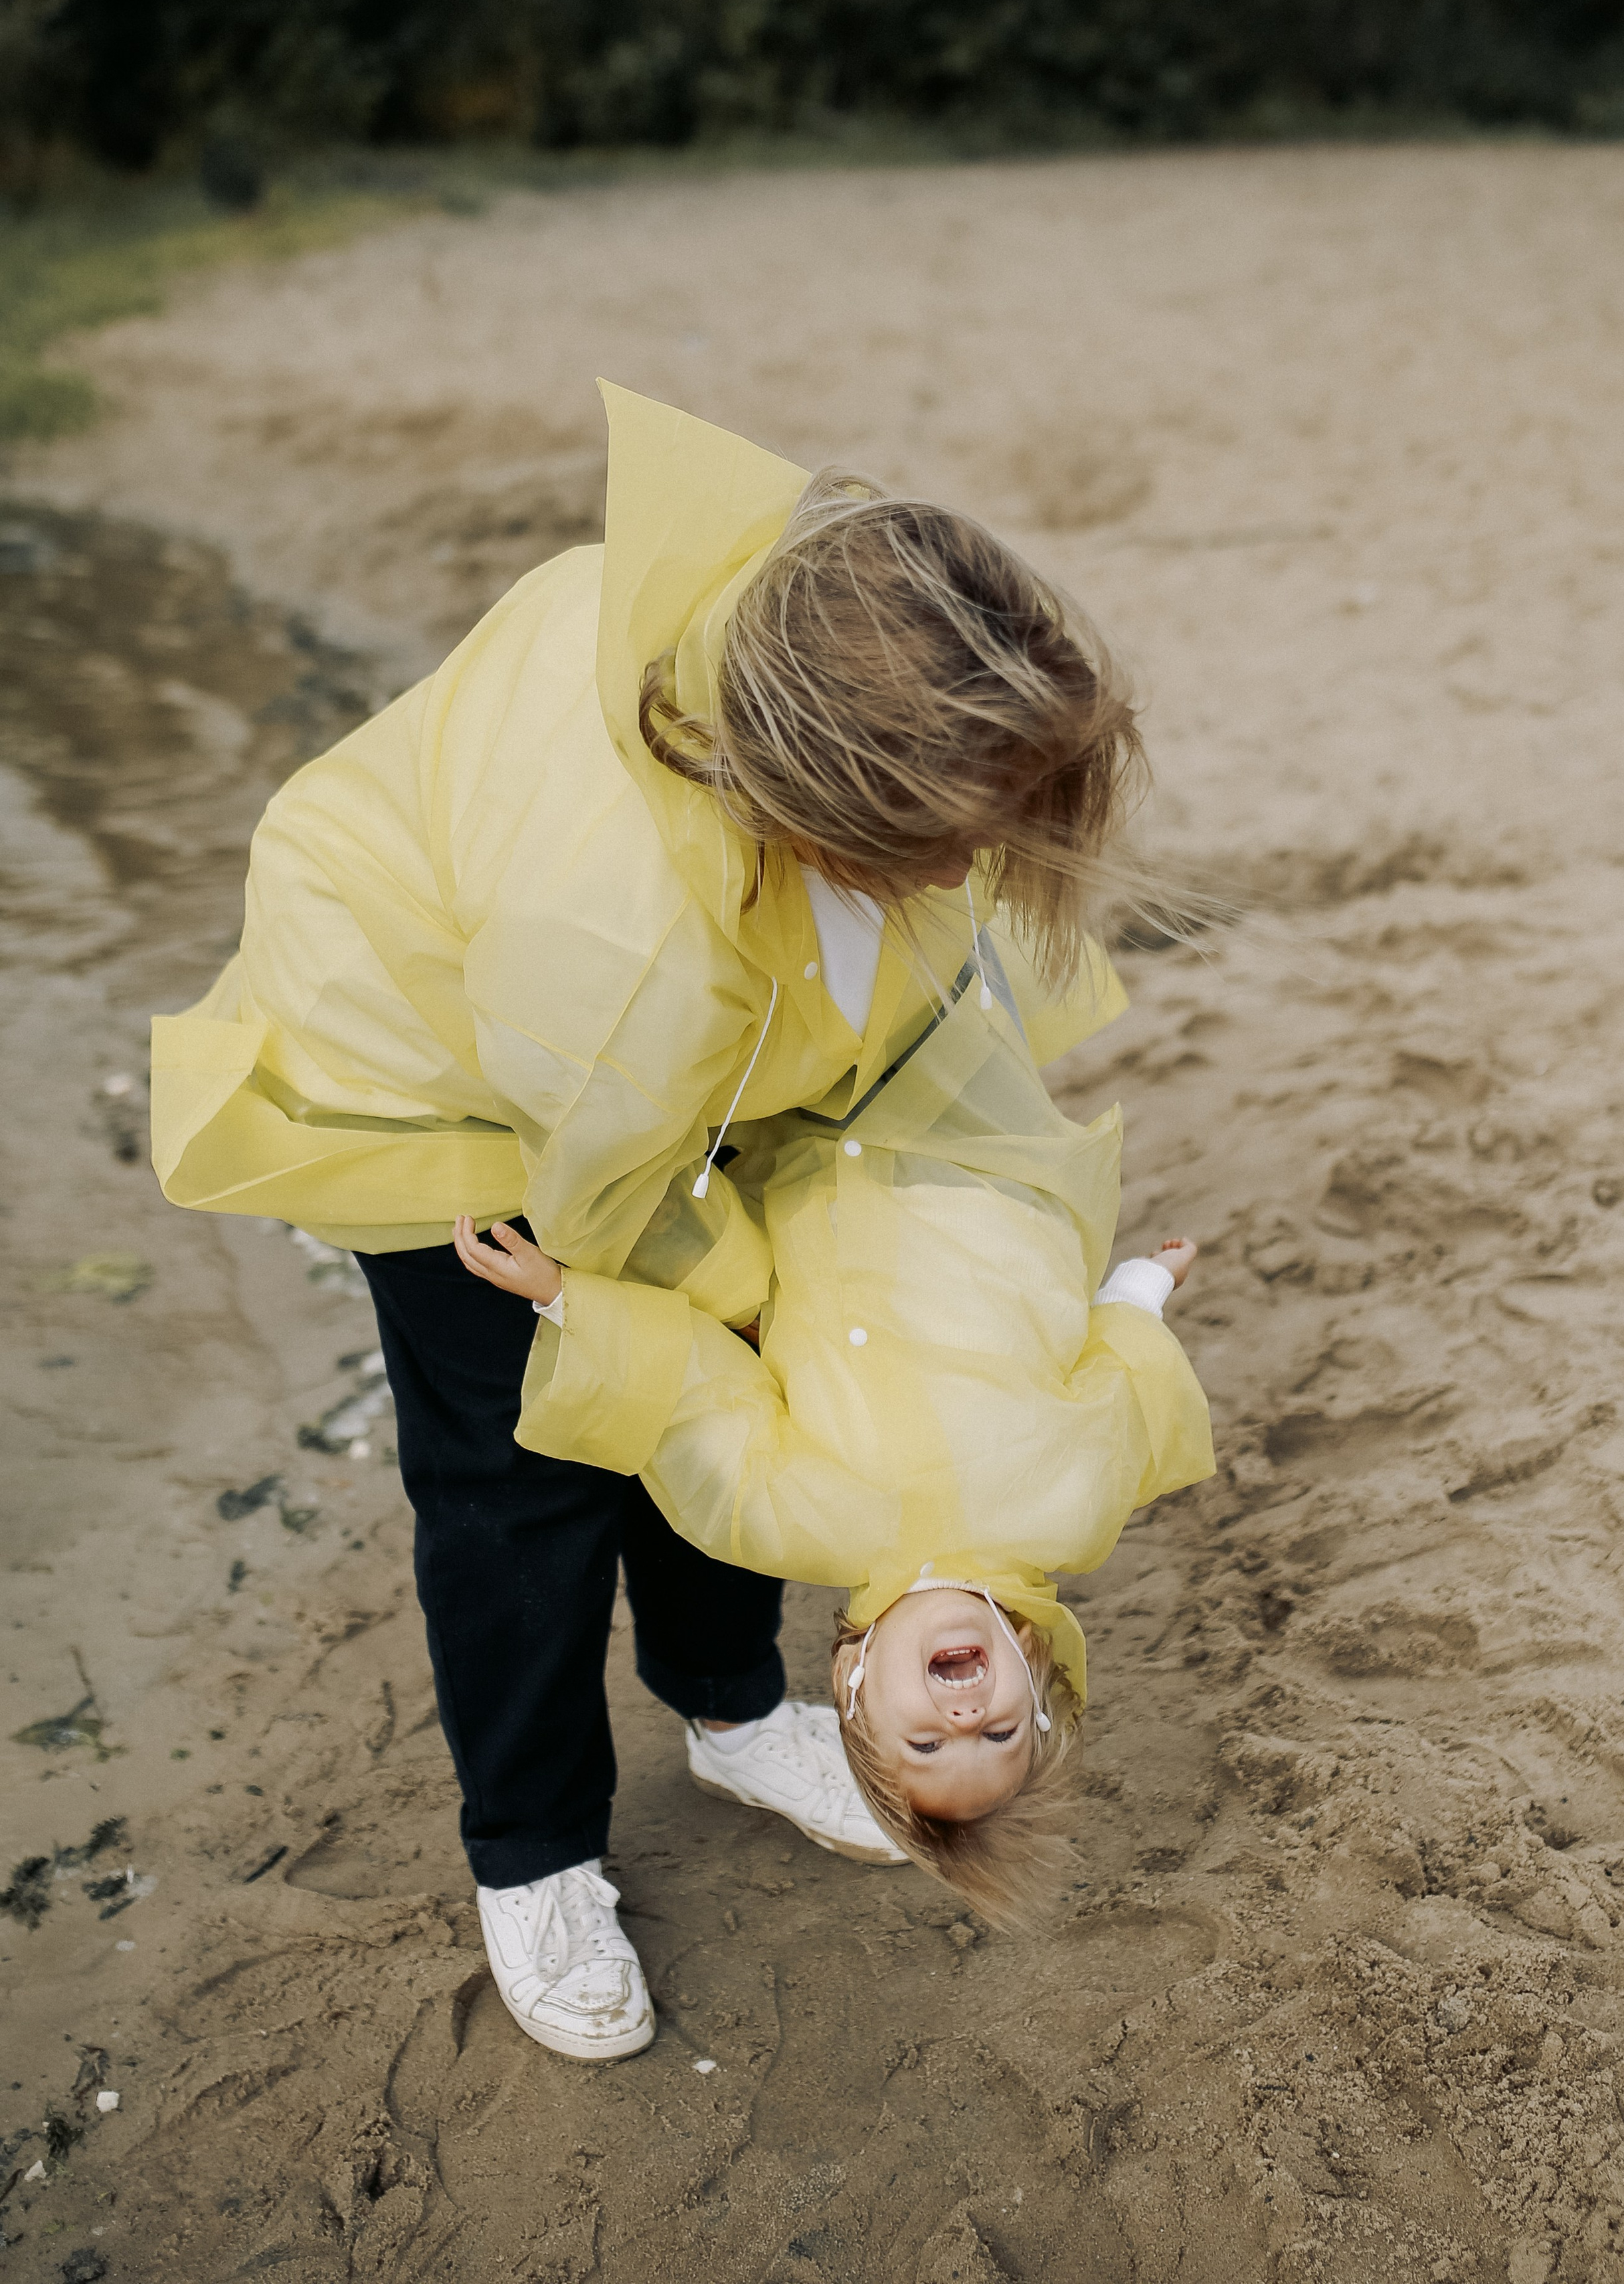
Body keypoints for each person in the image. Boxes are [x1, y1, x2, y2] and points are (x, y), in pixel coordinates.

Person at [150, 383, 1154, 2059]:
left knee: (743, 1405)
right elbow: (617, 1222)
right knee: (519, 1468)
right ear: (829, 807)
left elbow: (773, 1268)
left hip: (636, 1041)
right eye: (954, 838)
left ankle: (727, 1700)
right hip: (448, 1075)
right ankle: (532, 1848)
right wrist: (714, 1302)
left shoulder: (824, 633)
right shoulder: (615, 941)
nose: (986, 864)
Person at [453, 886, 1213, 1932]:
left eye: (927, 1742)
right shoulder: (1073, 1511)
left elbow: (697, 1399)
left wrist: (565, 1301)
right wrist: (1142, 1287)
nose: (965, 1716)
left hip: (815, 1178)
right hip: (977, 1159)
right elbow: (1119, 1377)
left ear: (854, 1679)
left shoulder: (796, 1523)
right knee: (921, 943)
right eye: (1001, 1736)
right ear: (1036, 1674)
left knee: (760, 994)